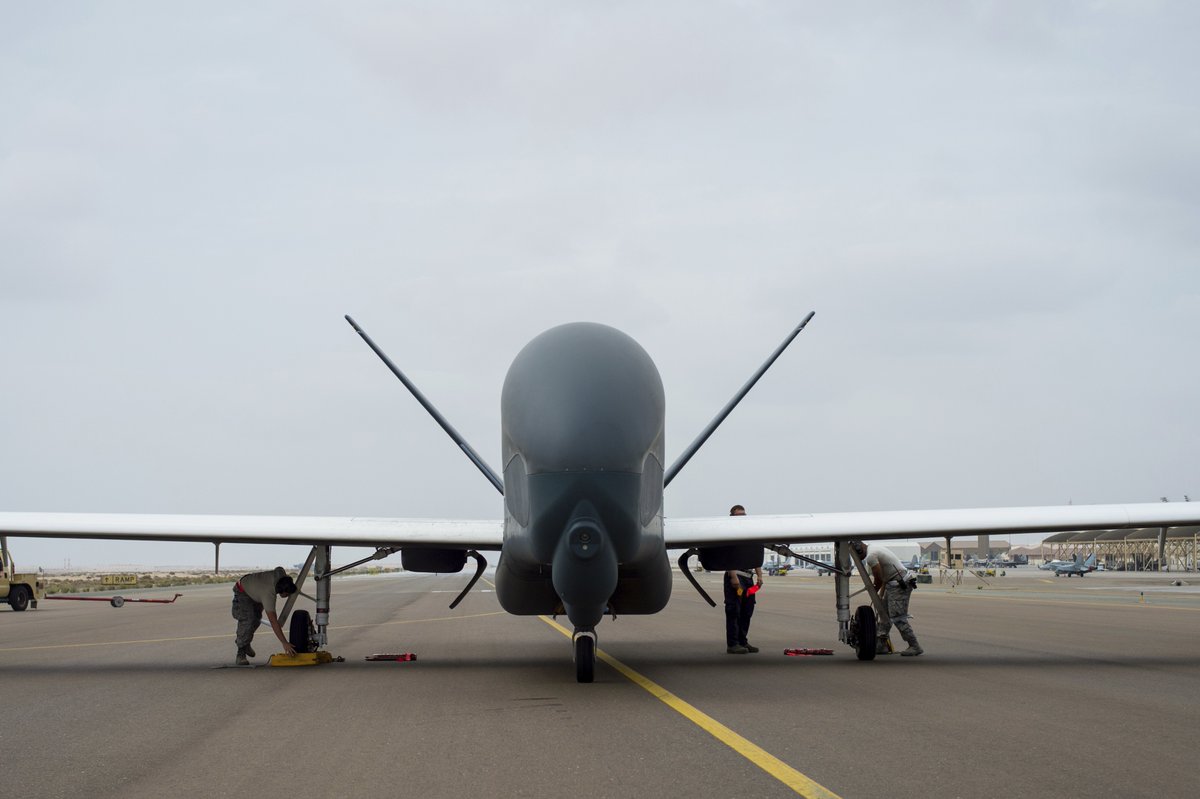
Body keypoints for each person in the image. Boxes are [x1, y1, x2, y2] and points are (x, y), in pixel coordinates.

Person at [853, 542, 923, 656]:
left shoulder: (871, 556)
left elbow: (878, 578)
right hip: (893, 583)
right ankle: (881, 645)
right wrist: (880, 596)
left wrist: (874, 591)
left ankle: (915, 646)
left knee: (898, 617)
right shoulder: (874, 547)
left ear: (859, 550)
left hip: (899, 586)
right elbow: (885, 577)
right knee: (884, 614)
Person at [231, 566, 299, 665]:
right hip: (243, 591)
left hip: (255, 589)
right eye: (287, 594)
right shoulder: (268, 594)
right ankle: (241, 653)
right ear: (282, 591)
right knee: (248, 620)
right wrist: (284, 642)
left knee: (256, 620)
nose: (287, 596)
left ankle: (246, 642)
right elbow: (273, 622)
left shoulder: (281, 575)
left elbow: (279, 568)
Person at [724, 504, 763, 654]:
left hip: (749, 580)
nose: (742, 518)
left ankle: (742, 641)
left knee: (747, 610)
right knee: (734, 611)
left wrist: (759, 575)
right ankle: (733, 644)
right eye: (738, 515)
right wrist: (733, 576)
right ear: (732, 518)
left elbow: (755, 558)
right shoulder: (729, 535)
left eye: (744, 515)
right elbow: (728, 558)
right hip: (736, 578)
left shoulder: (749, 535)